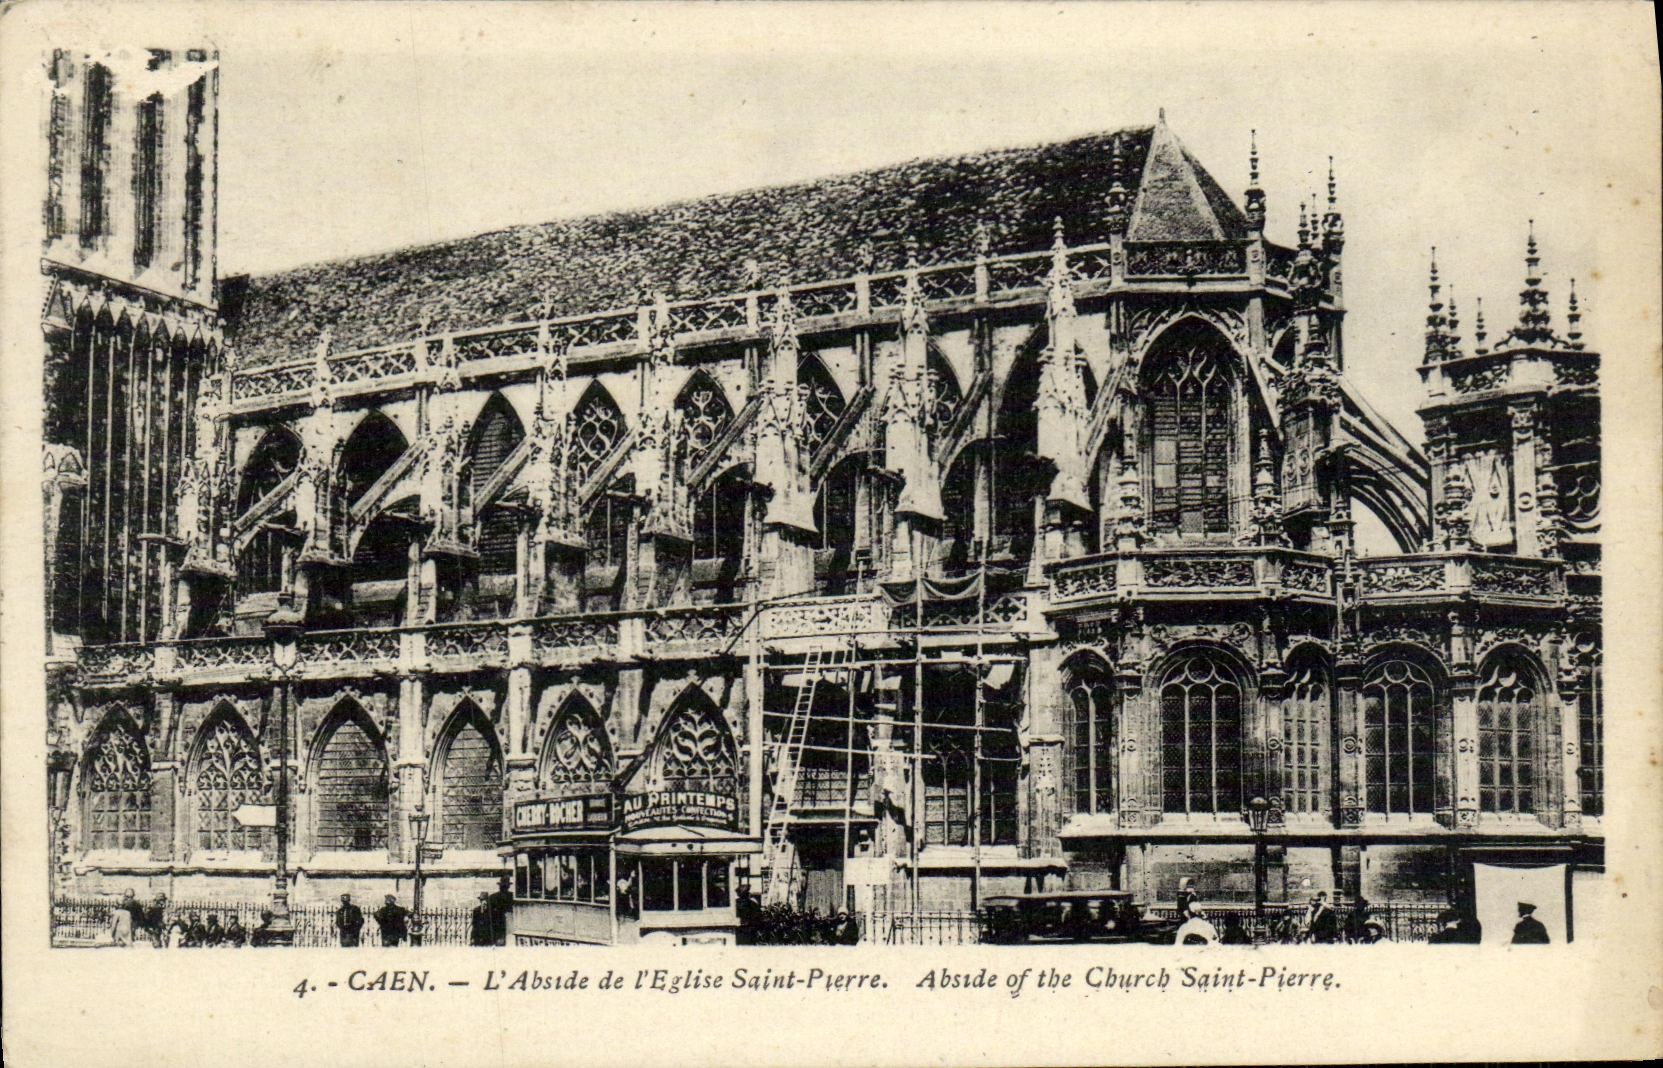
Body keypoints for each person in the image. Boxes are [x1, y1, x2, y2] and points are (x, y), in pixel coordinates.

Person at [487, 876, 514, 946]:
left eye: (505, 886)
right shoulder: (511, 896)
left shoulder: (511, 896)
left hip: (504, 925)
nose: (505, 887)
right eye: (504, 886)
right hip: (498, 925)